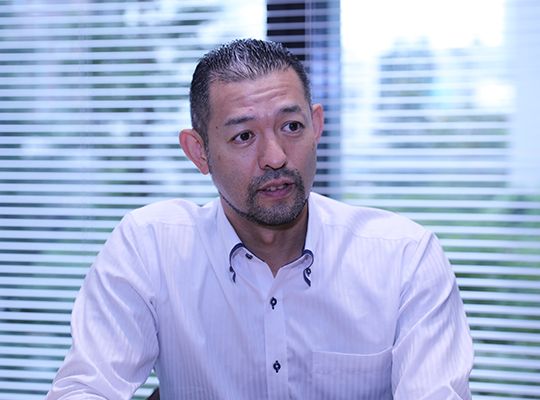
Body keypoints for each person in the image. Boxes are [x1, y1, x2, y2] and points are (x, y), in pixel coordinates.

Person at [47, 38, 473, 399]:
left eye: (291, 127)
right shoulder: (149, 248)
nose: (275, 157)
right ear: (199, 152)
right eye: (244, 136)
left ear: (316, 126)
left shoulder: (405, 257)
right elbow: (85, 388)